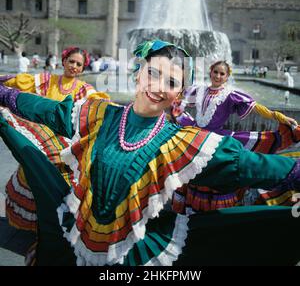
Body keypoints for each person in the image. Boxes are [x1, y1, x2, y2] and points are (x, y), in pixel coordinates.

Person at [0, 40, 299, 266]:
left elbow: (252, 165)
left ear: (179, 94)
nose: (158, 87)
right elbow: (44, 109)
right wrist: (5, 94)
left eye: (171, 82)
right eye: (152, 73)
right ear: (137, 74)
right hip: (77, 234)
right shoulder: (96, 113)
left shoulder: (185, 143)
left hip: (133, 253)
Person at [171, 60, 300, 213]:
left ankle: (214, 211)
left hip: (216, 140)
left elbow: (255, 107)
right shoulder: (199, 91)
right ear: (210, 72)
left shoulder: (231, 95)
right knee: (193, 170)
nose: (218, 76)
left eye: (222, 74)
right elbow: (180, 95)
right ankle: (192, 207)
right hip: (195, 136)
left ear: (227, 77)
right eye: (215, 72)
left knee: (217, 171)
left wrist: (277, 116)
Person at [0, 47, 101, 237]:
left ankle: (53, 228)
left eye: (79, 64)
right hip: (38, 143)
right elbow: (18, 83)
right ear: (63, 61)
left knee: (56, 186)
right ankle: (35, 226)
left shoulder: (85, 91)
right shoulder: (47, 80)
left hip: (65, 151)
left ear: (82, 68)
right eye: (71, 61)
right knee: (31, 177)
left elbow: (97, 109)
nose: (74, 66)